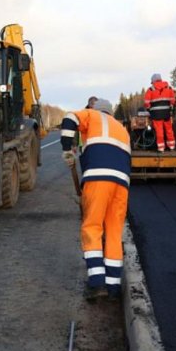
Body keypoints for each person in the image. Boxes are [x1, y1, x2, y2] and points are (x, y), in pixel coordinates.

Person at [60, 98, 131, 301]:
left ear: (95, 109)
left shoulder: (91, 115)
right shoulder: (122, 129)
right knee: (114, 231)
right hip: (122, 184)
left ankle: (97, 283)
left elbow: (70, 117)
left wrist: (66, 148)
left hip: (98, 179)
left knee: (92, 226)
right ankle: (114, 287)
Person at [143, 73, 176, 152]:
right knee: (169, 130)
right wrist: (170, 108)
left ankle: (161, 148)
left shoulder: (151, 89)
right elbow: (173, 100)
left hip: (156, 115)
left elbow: (146, 102)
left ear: (153, 81)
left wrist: (149, 109)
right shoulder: (169, 87)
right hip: (167, 113)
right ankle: (171, 146)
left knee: (159, 131)